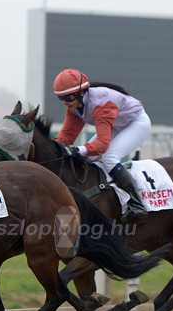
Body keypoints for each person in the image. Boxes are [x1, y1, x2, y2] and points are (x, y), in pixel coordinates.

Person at [53, 68, 151, 221]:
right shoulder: (74, 106)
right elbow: (66, 136)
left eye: (69, 97)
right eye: (61, 99)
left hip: (136, 123)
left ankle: (136, 203)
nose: (65, 102)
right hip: (117, 125)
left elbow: (103, 145)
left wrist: (77, 150)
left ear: (81, 93)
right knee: (88, 160)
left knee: (109, 157)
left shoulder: (101, 103)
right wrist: (52, 149)